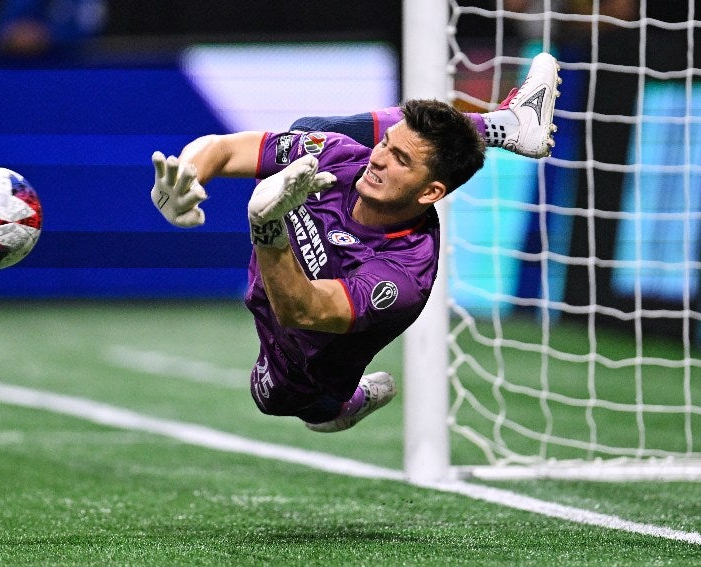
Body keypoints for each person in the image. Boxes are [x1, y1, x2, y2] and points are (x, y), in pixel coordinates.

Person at [149, 53, 560, 433]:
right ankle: (503, 126)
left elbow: (302, 311)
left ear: (431, 193)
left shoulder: (403, 273)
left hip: (303, 360)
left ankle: (350, 400)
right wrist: (186, 177)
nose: (378, 159)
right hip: (277, 273)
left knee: (276, 399)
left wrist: (267, 226)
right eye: (385, 144)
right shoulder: (340, 154)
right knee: (308, 127)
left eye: (401, 160)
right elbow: (221, 148)